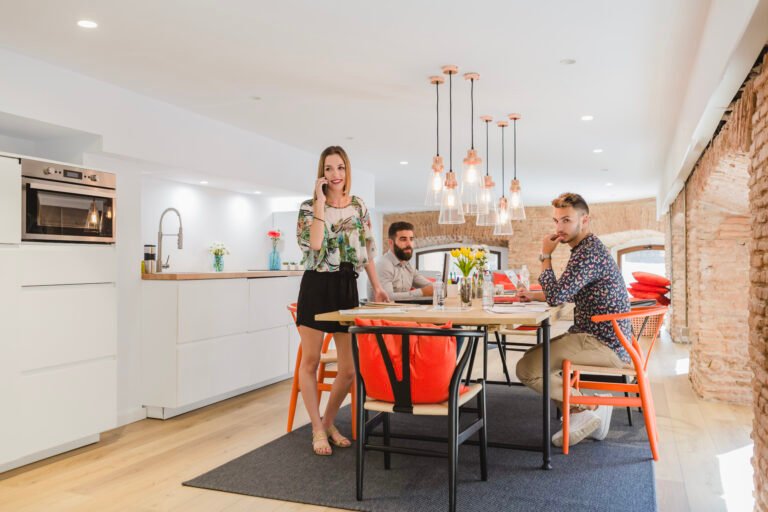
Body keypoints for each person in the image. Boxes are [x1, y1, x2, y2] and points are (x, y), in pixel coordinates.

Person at [515, 192, 632, 447]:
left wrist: (545, 256)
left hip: (602, 343)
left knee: (527, 368)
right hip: (604, 338)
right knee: (536, 356)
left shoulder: (587, 253)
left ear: (584, 220)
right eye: (556, 221)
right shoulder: (587, 249)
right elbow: (566, 290)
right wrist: (534, 295)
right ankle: (585, 410)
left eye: (566, 220)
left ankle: (585, 409)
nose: (559, 228)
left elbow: (557, 296)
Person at [296, 146, 389, 456]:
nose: (335, 174)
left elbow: (367, 250)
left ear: (347, 171)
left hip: (347, 285)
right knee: (309, 362)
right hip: (316, 285)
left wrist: (377, 286)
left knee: (348, 369)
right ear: (322, 173)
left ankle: (328, 421)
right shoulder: (309, 207)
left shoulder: (359, 206)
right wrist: (321, 202)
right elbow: (317, 243)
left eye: (340, 168)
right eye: (329, 168)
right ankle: (316, 428)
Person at [368, 221, 433, 301]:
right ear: (391, 242)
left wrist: (440, 287)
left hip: (400, 311)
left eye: (411, 239)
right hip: (383, 312)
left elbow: (430, 286)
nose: (409, 244)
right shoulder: (384, 265)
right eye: (403, 239)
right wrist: (422, 292)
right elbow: (387, 298)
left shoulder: (407, 266)